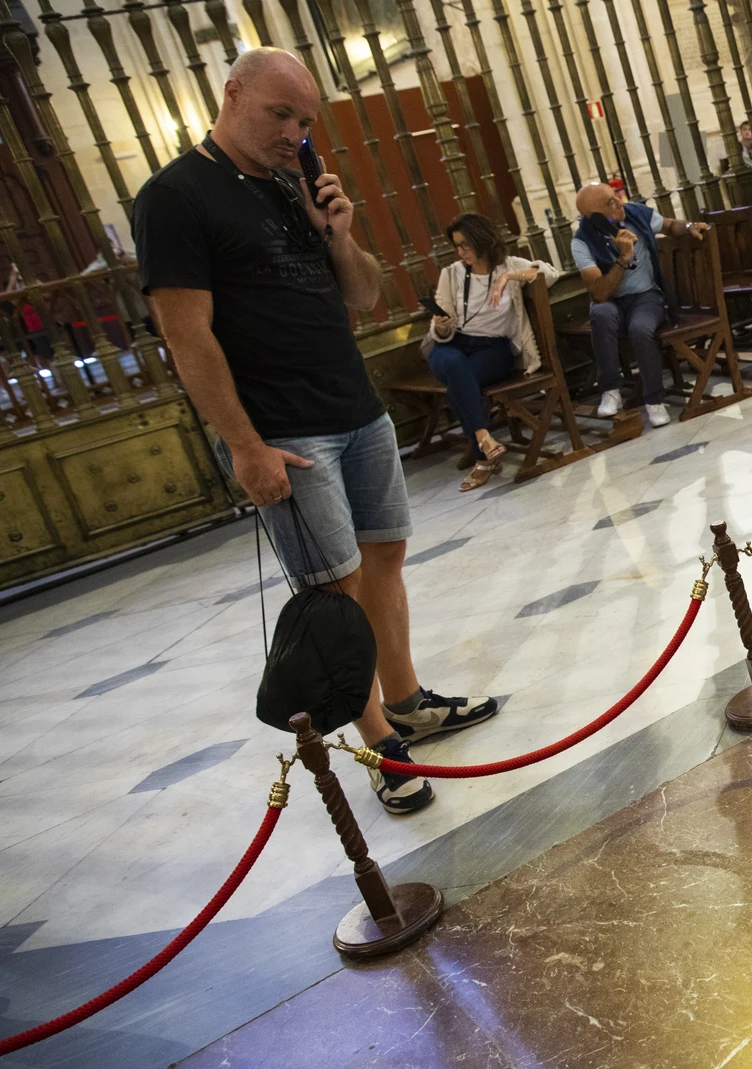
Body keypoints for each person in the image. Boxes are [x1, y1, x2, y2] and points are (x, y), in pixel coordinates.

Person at [133, 48, 497, 816]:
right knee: (333, 590)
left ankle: (407, 702)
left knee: (385, 556)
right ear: (233, 94)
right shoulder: (175, 197)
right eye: (280, 114)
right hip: (282, 430)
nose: (293, 134)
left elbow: (363, 296)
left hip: (353, 406)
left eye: (304, 121)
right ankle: (380, 745)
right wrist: (244, 445)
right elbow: (187, 335)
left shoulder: (289, 187)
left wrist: (337, 232)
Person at [420, 212, 558, 491]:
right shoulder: (452, 274)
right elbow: (440, 328)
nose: (460, 252)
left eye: (465, 245)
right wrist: (442, 327)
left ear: (481, 239)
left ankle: (484, 455)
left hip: (493, 349)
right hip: (453, 344)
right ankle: (484, 441)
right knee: (454, 366)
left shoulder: (509, 265)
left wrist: (509, 276)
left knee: (458, 383)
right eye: (457, 246)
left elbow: (550, 273)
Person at [570, 182, 708, 425]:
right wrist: (624, 258)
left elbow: (669, 225)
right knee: (601, 314)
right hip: (611, 301)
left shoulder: (636, 214)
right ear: (595, 217)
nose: (619, 203)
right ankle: (610, 390)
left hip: (646, 296)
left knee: (640, 329)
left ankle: (654, 401)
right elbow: (599, 294)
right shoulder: (581, 241)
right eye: (610, 203)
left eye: (616, 196)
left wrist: (689, 227)